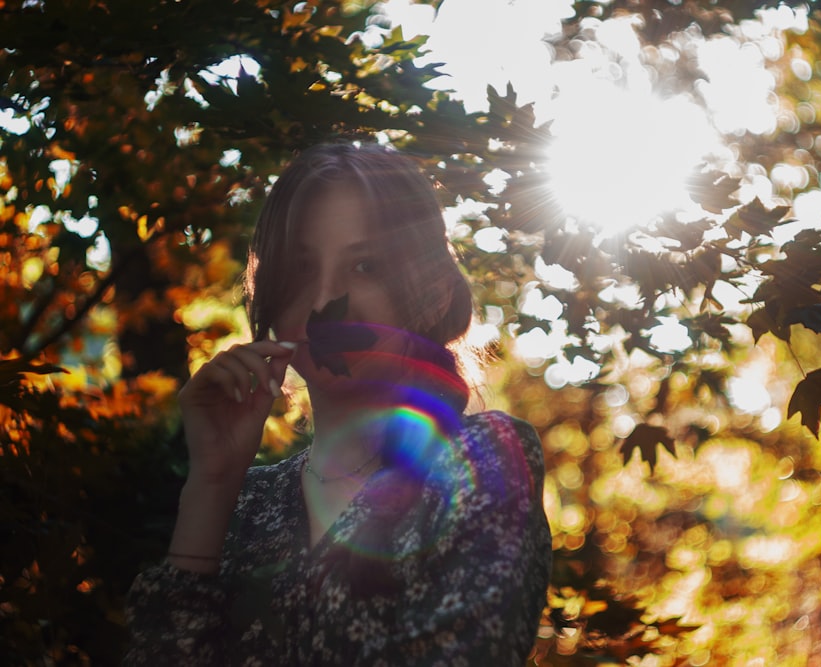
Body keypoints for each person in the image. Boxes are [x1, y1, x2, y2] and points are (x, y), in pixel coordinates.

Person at [124, 144, 552, 665]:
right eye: (301, 268)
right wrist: (211, 485)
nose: (326, 299)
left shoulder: (482, 460)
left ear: (433, 294)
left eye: (365, 265)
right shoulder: (246, 503)